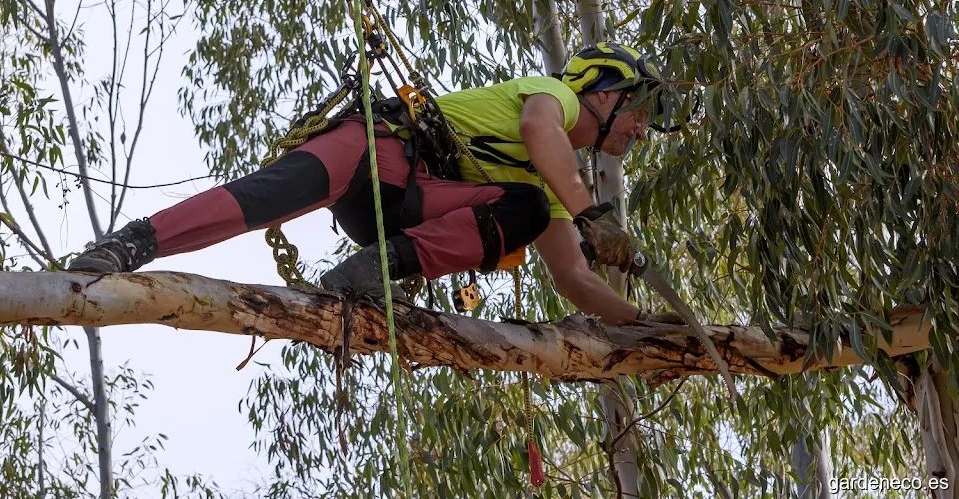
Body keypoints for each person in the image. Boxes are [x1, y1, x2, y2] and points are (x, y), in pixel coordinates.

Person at [67, 43, 678, 326]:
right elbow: (537, 128)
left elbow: (573, 277)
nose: (642, 129)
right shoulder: (556, 97)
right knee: (262, 197)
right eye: (639, 111)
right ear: (604, 93)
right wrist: (592, 213)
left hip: (401, 206)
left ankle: (372, 271)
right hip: (373, 147)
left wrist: (643, 321)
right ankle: (131, 243)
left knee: (529, 210)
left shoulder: (548, 189)